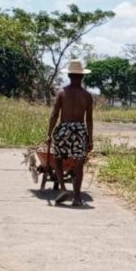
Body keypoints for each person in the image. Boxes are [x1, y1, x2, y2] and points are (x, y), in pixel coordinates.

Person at [46, 59, 94, 206]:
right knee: (79, 165)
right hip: (80, 130)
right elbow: (89, 120)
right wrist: (90, 139)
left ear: (69, 76)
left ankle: (62, 187)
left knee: (58, 159)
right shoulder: (87, 95)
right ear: (82, 77)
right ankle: (77, 197)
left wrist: (49, 133)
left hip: (64, 129)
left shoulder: (61, 92)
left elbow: (54, 115)